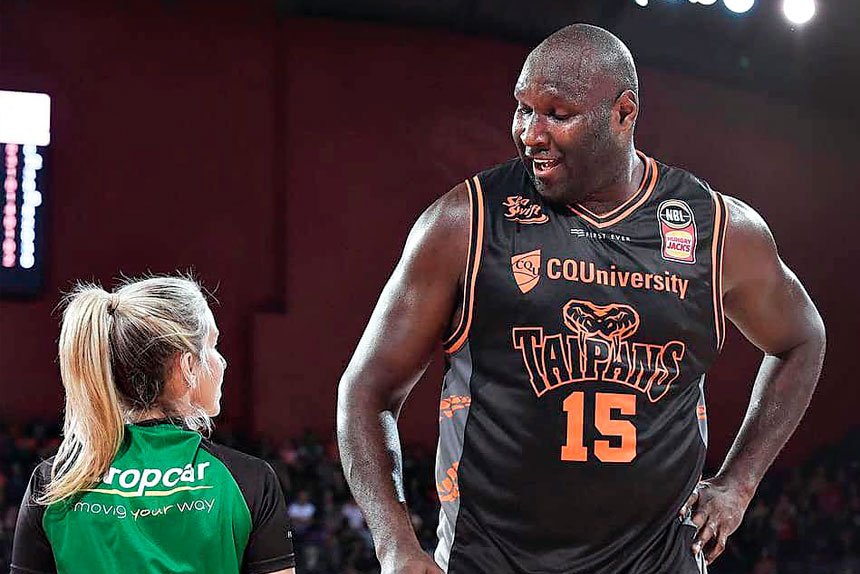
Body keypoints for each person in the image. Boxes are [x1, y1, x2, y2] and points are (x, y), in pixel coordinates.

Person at [336, 24, 825, 574]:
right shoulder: (465, 222)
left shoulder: (717, 230)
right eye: (523, 108)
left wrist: (738, 484)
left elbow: (802, 338)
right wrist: (395, 543)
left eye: (557, 114)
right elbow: (365, 390)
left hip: (658, 562)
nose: (530, 133)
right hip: (494, 561)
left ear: (624, 113)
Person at [11, 276, 296, 574]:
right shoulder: (249, 481)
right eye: (213, 345)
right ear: (187, 366)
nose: (221, 361)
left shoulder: (54, 484)